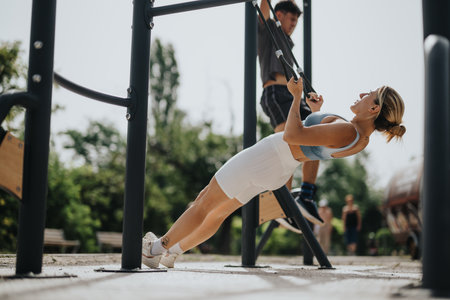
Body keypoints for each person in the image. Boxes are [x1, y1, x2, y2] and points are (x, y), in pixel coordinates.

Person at [142, 77, 406, 268]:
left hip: (269, 156)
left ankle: (155, 249)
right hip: (279, 168)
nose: (361, 93)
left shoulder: (348, 130)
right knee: (219, 212)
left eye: (368, 95)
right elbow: (317, 143)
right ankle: (172, 253)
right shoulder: (360, 139)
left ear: (374, 109)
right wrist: (316, 112)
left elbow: (292, 134)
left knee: (204, 202)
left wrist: (294, 97)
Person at [257, 0, 322, 225]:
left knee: (316, 131)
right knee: (287, 144)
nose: (294, 24)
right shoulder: (269, 32)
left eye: (297, 20)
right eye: (291, 19)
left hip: (294, 95)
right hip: (275, 92)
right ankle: (282, 202)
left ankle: (306, 193)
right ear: (280, 15)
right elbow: (264, 8)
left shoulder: (286, 41)